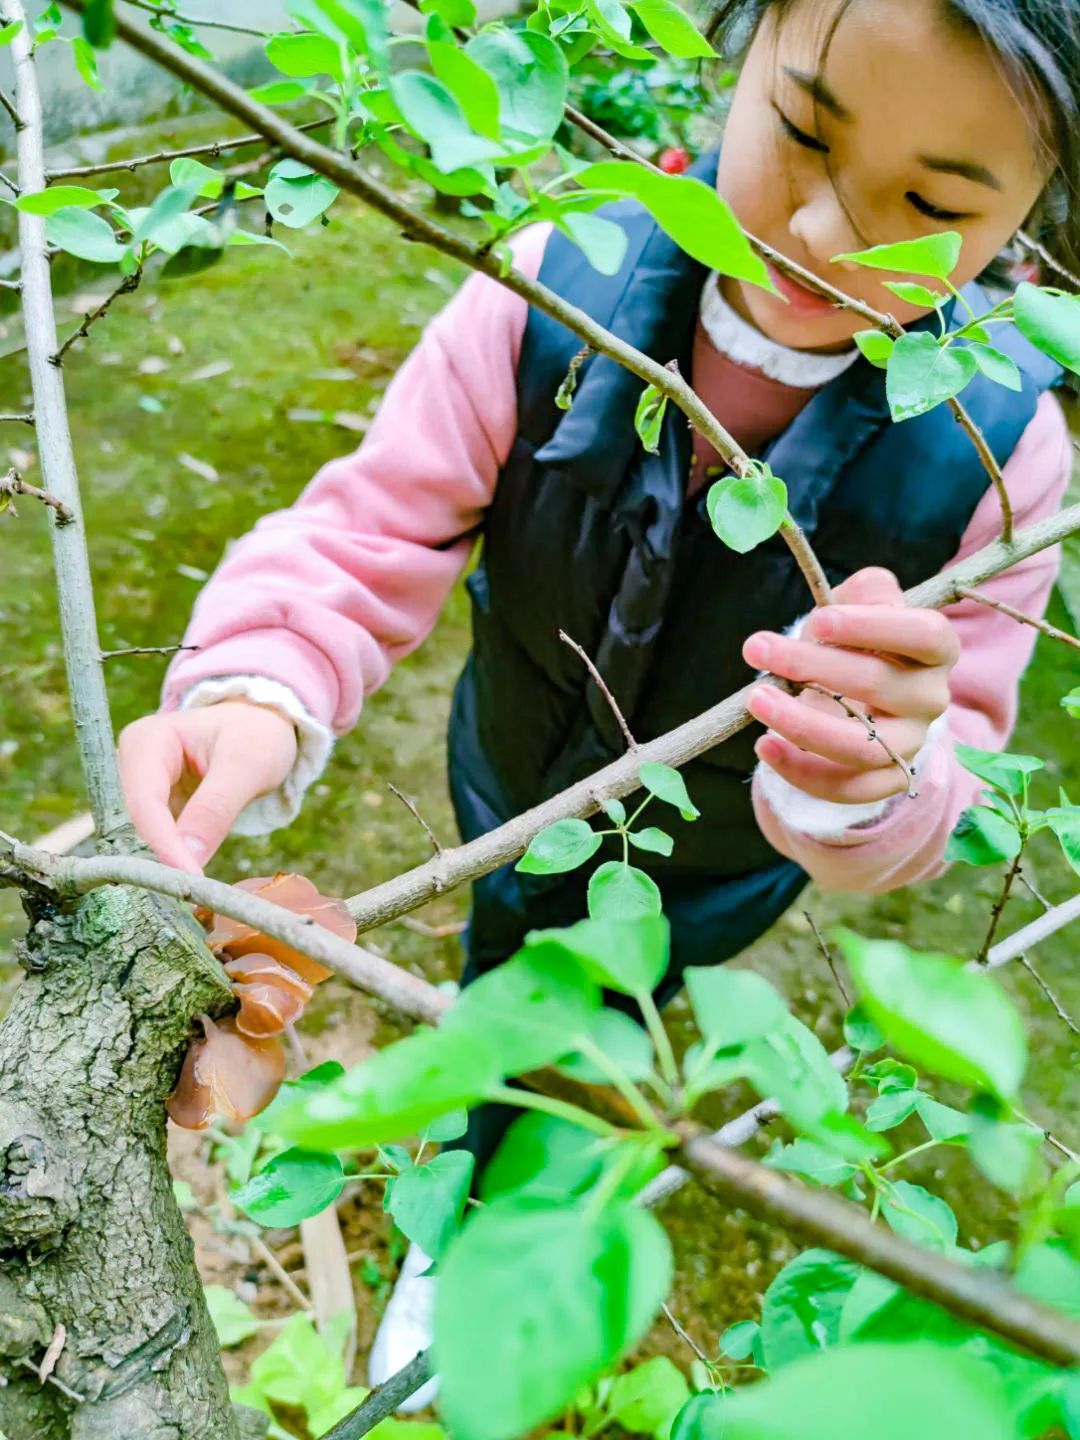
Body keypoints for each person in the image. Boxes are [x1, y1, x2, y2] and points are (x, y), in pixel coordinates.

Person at [118, 0, 1077, 1407]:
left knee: (625, 999)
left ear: (1032, 220)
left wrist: (873, 778)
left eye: (931, 203)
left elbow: (960, 777)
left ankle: (522, 1200)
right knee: (505, 956)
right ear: (736, 56)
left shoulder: (1001, 462)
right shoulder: (554, 284)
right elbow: (369, 534)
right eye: (803, 130)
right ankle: (464, 1206)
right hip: (508, 779)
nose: (821, 232)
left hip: (722, 862)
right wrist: (263, 684)